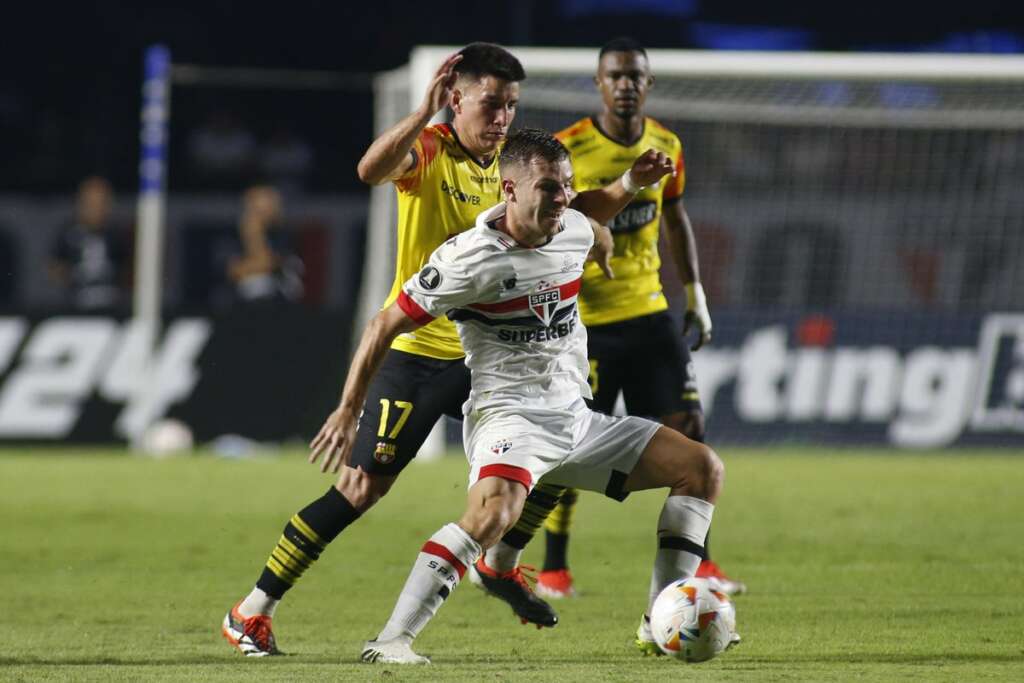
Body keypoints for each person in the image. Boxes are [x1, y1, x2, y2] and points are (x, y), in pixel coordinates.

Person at [221, 43, 671, 657]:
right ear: (456, 100)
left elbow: (573, 209)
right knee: (361, 489)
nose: (502, 117)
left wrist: (625, 185)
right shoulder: (431, 151)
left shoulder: (513, 165)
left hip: (490, 354)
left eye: (511, 105)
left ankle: (499, 562)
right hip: (422, 351)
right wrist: (422, 112)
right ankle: (252, 609)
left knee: (560, 443)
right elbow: (370, 171)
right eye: (491, 104)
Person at [308, 128, 725, 665]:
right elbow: (383, 324)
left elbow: (591, 218)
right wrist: (349, 408)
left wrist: (624, 195)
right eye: (549, 187)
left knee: (702, 468)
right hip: (510, 421)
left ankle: (659, 622)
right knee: (491, 517)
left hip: (577, 419)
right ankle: (390, 641)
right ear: (509, 189)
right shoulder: (468, 260)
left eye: (567, 185)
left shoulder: (571, 226)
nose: (563, 198)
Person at [476, 41, 746, 635]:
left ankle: (699, 565)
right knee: (567, 447)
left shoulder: (668, 144)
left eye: (635, 76)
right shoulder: (568, 147)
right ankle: (554, 567)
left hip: (648, 310)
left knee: (689, 433)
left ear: (648, 84)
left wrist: (695, 293)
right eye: (615, 76)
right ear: (599, 84)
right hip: (586, 322)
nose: (625, 85)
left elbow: (674, 216)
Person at [48, 176, 128, 311]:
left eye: (101, 203)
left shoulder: (116, 235)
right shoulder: (68, 234)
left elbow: (128, 270)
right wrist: (72, 276)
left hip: (112, 307)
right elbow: (54, 268)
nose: (96, 209)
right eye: (91, 204)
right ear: (80, 204)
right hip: (75, 307)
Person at [226, 184, 304, 304]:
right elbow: (233, 271)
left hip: (279, 297)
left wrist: (262, 263)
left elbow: (275, 263)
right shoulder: (237, 235)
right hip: (244, 299)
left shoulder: (281, 234)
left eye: (268, 205)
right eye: (254, 207)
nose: (257, 211)